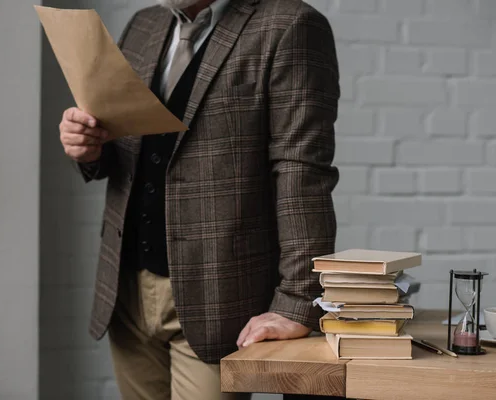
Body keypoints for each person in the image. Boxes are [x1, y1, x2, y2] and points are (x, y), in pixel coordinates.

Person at [58, 0, 340, 398]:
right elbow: (128, 147)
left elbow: (302, 171)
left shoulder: (291, 25)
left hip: (218, 298)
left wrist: (298, 300)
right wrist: (89, 148)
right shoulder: (144, 24)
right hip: (125, 291)